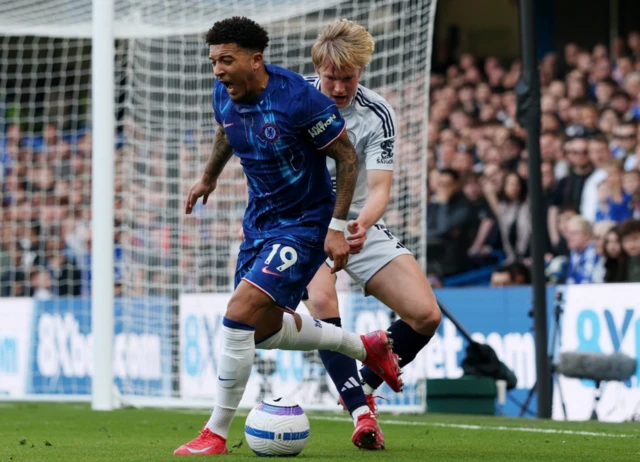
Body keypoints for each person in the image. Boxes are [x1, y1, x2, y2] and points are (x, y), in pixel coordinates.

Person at [174, 17, 402, 456]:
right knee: (259, 331)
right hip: (260, 219)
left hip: (304, 222)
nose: (217, 70)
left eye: (226, 60)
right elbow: (226, 130)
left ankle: (215, 433)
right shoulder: (224, 91)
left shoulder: (300, 99)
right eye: (213, 61)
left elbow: (347, 158)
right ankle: (365, 346)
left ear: (254, 59)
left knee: (238, 313)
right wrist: (208, 177)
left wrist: (335, 229)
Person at [302, 19, 442, 450]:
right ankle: (362, 415)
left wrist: (360, 222)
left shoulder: (377, 111)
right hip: (301, 226)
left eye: (349, 78)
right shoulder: (293, 99)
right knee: (324, 300)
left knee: (425, 315)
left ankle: (361, 386)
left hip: (355, 224)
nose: (340, 88)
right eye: (331, 77)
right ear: (318, 68)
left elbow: (380, 187)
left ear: (361, 72)